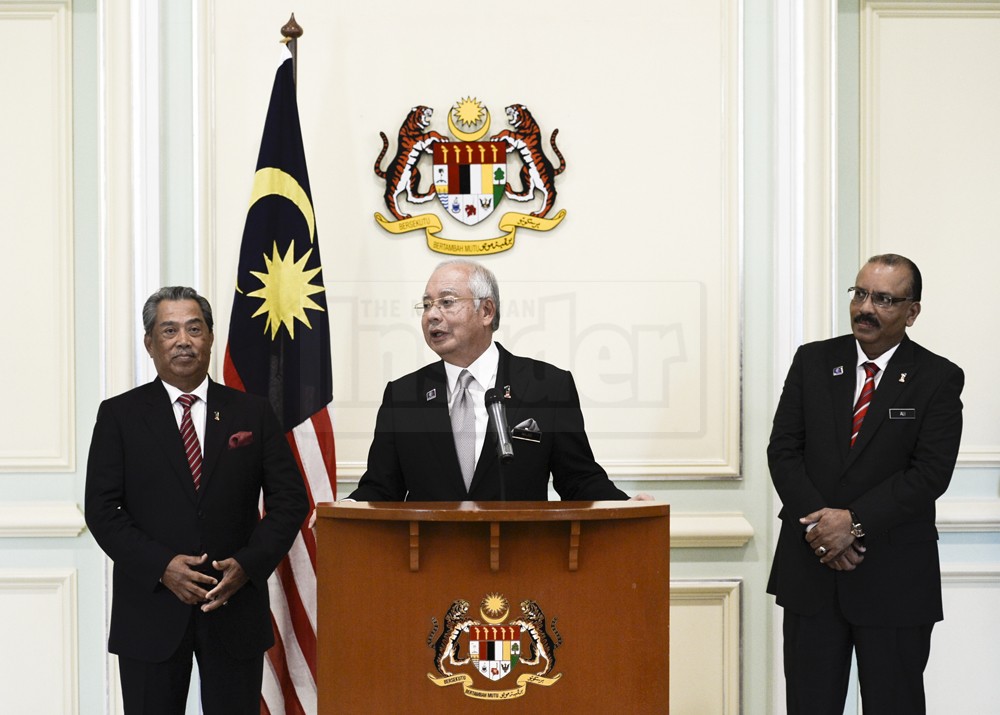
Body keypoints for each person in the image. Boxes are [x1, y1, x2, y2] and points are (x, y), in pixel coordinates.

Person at [84, 287, 308, 714]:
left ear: (209, 338)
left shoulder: (252, 413)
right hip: (150, 610)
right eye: (169, 330)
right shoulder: (119, 415)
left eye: (194, 328)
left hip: (234, 606)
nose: (183, 340)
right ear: (150, 343)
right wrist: (163, 567)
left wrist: (248, 565)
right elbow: (102, 509)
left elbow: (290, 501)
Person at [767, 254, 964, 714]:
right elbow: (783, 451)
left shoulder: (937, 378)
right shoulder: (813, 360)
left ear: (912, 312)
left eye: (883, 299)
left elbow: (930, 473)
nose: (865, 308)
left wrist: (852, 525)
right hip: (811, 573)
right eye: (859, 294)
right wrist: (823, 532)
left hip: (894, 577)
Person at [349, 259, 646, 502]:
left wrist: (626, 507)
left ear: (486, 311)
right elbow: (381, 488)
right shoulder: (402, 396)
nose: (431, 316)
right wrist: (344, 509)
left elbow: (578, 479)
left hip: (519, 563)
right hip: (429, 564)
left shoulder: (547, 387)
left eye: (446, 302)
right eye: (426, 305)